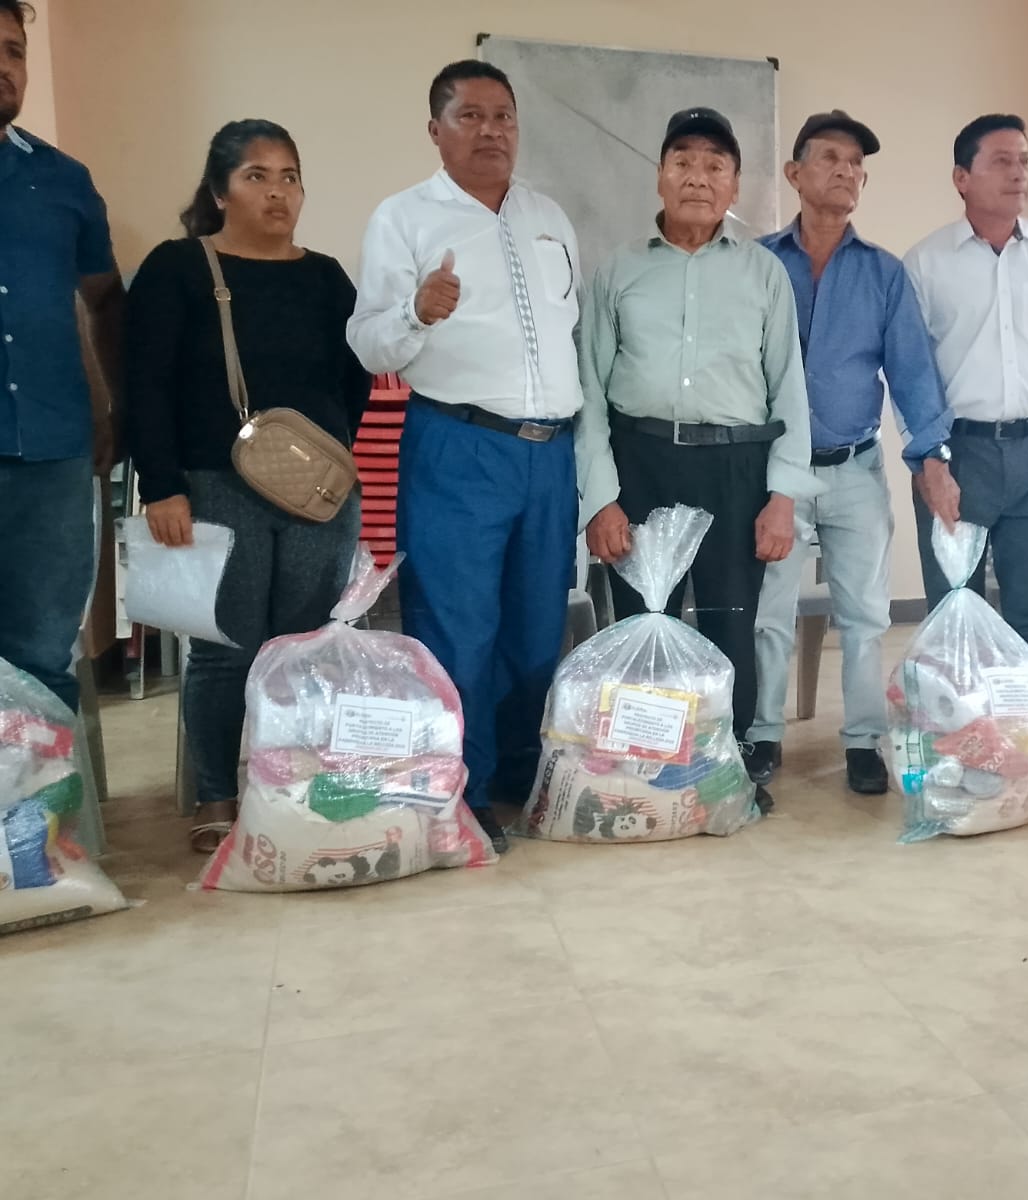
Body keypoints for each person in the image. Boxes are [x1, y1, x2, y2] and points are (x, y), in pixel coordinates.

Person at [348, 60, 584, 850]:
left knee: (537, 625)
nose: (491, 131)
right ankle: (462, 790)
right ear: (436, 130)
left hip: (549, 453)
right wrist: (417, 311)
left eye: (503, 116)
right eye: (471, 115)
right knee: (458, 627)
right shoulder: (404, 218)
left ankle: (518, 772)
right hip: (458, 444)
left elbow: (569, 330)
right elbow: (368, 340)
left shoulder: (549, 215)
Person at [125, 120, 370, 852]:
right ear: (218, 191)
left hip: (318, 495)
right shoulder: (177, 268)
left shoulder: (326, 277)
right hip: (212, 486)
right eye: (256, 176)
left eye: (289, 176)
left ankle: (287, 787)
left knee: (303, 649)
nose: (277, 193)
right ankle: (217, 795)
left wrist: (321, 459)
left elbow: (355, 379)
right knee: (225, 648)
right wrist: (161, 485)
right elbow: (146, 384)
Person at [578, 107, 813, 810]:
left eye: (715, 165)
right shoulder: (617, 270)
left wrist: (782, 497)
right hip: (641, 462)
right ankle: (641, 775)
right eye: (683, 162)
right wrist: (601, 497)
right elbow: (589, 392)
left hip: (735, 472)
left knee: (729, 623)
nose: (698, 178)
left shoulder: (764, 273)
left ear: (735, 184)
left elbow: (789, 391)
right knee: (640, 625)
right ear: (660, 175)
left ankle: (723, 772)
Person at [747, 111, 956, 793]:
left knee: (865, 617)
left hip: (855, 468)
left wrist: (930, 457)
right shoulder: (758, 263)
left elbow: (912, 372)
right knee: (769, 612)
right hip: (774, 474)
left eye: (856, 164)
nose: (845, 171)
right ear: (794, 173)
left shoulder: (883, 273)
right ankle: (762, 734)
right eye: (830, 158)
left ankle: (864, 742)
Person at [903, 114, 1028, 668]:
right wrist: (929, 460)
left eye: (1024, 161)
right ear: (961, 178)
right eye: (1001, 162)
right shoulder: (925, 262)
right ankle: (958, 717)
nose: (1019, 174)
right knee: (954, 609)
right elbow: (911, 371)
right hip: (958, 455)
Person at [0, 0, 124, 712]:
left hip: (52, 452)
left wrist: (109, 404)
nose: (5, 65)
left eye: (14, 50)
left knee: (42, 658)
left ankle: (38, 791)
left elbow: (103, 299)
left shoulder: (63, 181)